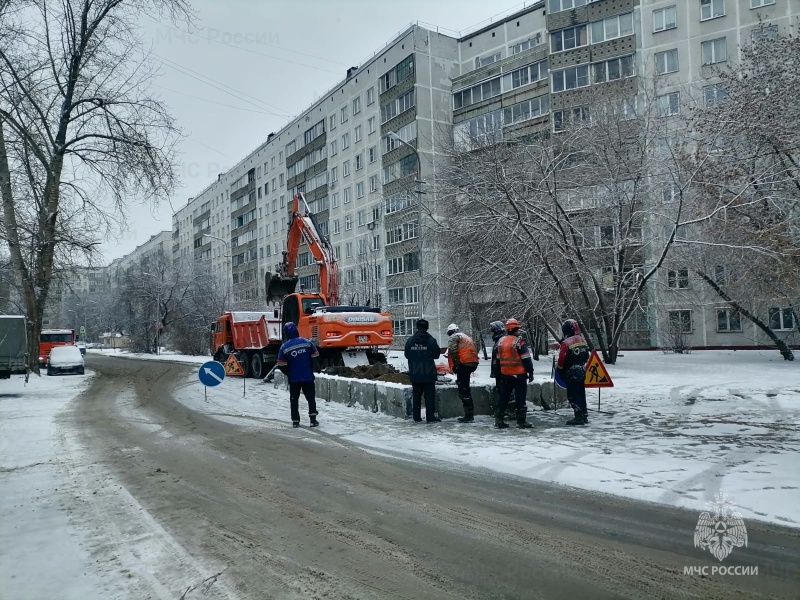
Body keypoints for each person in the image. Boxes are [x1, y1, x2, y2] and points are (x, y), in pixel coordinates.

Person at [276, 322, 319, 428]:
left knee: (294, 399)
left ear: (286, 333)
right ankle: (313, 420)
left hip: (294, 379)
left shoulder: (284, 347)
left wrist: (288, 372)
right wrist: (310, 368)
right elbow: (316, 355)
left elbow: (280, 363)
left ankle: (295, 421)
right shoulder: (307, 342)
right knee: (311, 398)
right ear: (296, 330)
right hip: (308, 377)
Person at [495, 318, 534, 429]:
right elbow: (526, 358)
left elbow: (497, 359)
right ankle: (521, 422)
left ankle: (499, 420)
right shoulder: (519, 341)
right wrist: (530, 372)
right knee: (520, 398)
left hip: (505, 374)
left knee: (503, 397)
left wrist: (499, 373)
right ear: (516, 329)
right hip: (519, 375)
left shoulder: (501, 341)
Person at [404, 318, 441, 423]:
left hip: (415, 372)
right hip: (428, 372)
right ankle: (430, 418)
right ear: (427, 327)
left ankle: (416, 417)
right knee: (429, 396)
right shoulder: (431, 340)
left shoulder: (410, 340)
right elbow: (437, 355)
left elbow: (407, 355)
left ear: (417, 327)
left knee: (416, 395)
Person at [556, 318, 590, 426]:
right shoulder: (582, 340)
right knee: (581, 393)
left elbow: (562, 359)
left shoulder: (566, 343)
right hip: (581, 370)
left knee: (572, 395)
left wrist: (559, 370)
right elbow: (586, 356)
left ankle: (578, 416)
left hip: (571, 372)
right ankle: (584, 415)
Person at [446, 323, 480, 423]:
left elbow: (452, 350)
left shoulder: (454, 337)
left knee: (464, 389)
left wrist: (456, 365)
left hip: (464, 364)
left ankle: (468, 415)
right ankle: (469, 414)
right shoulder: (465, 337)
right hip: (472, 363)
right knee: (464, 384)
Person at [488, 320, 506, 417]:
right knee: (502, 391)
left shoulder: (501, 341)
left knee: (504, 392)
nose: (492, 332)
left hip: (503, 372)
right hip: (500, 371)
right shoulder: (498, 340)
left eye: (493, 330)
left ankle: (505, 412)